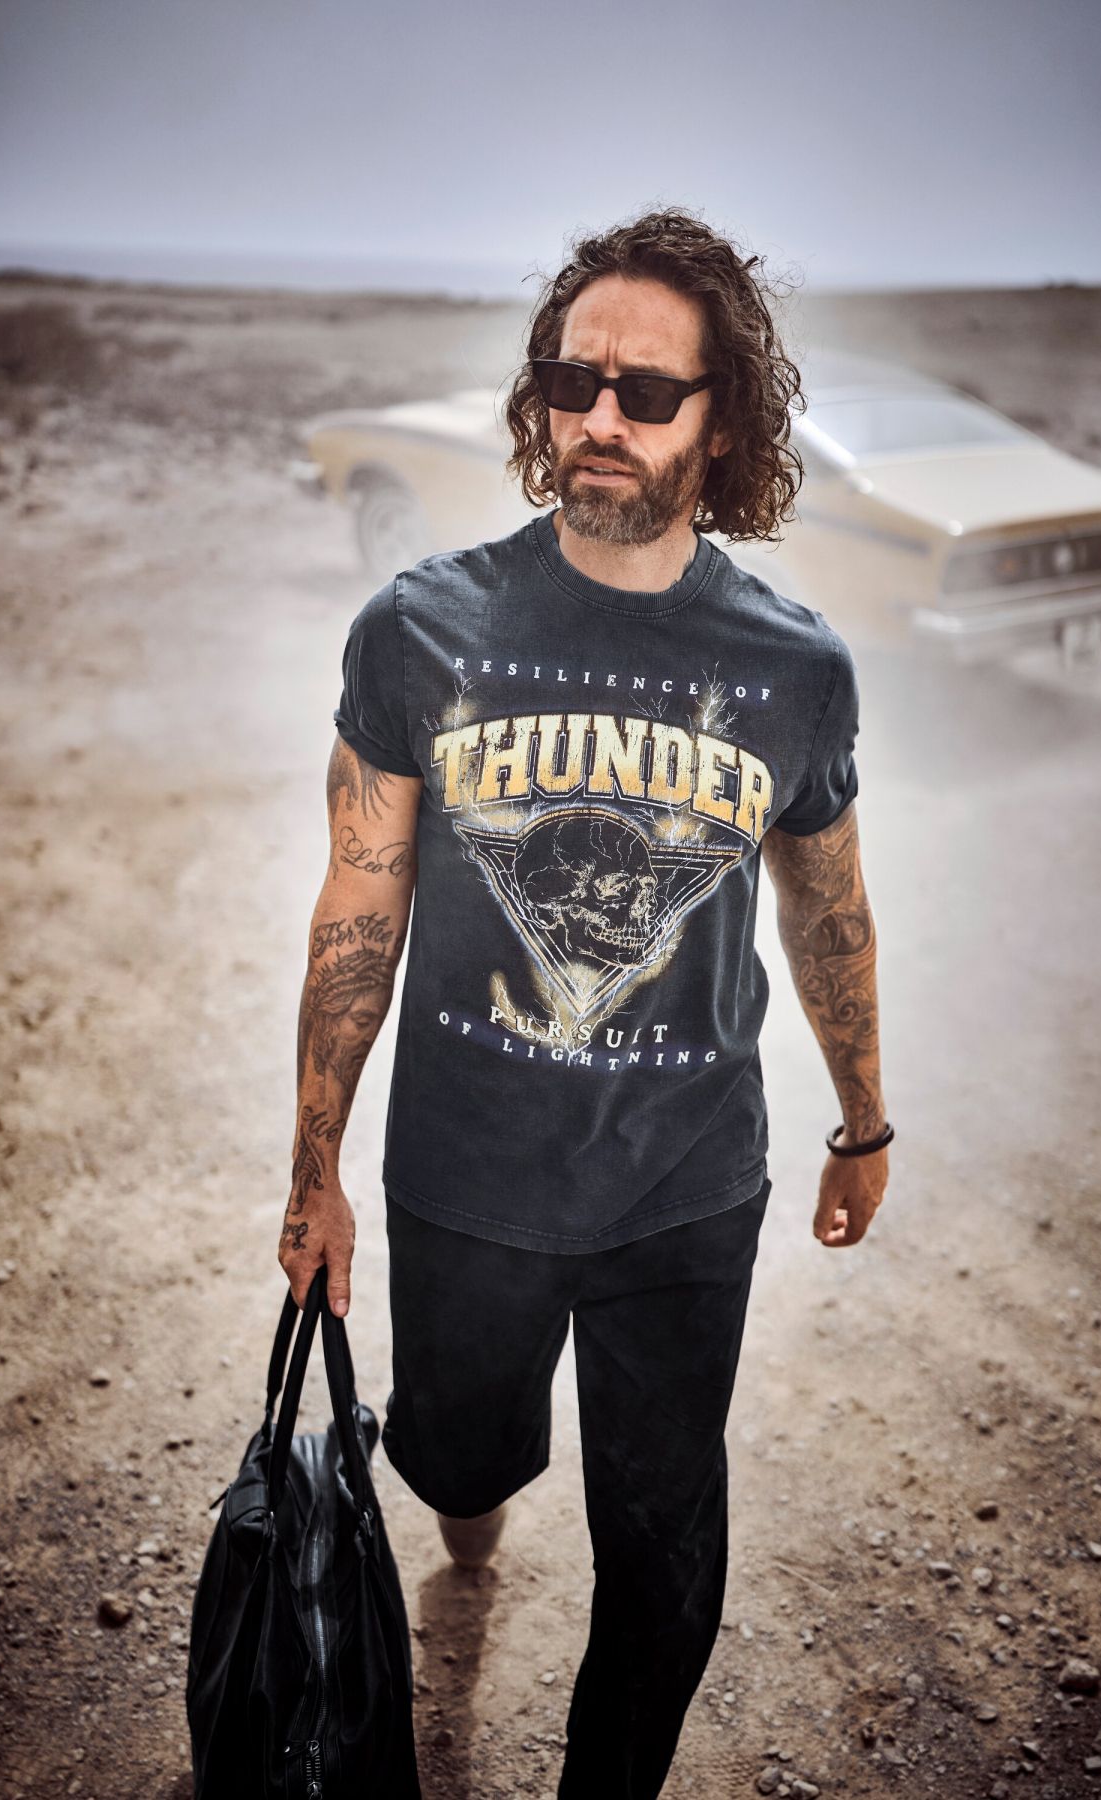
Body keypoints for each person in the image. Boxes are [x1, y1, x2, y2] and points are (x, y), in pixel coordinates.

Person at [279, 206, 892, 1798]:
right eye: (573, 382)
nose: (600, 419)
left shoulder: (796, 669)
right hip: (466, 1179)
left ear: (723, 423)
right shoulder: (418, 629)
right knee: (456, 1462)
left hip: (685, 1188)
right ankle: (471, 1510)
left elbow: (827, 908)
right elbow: (361, 900)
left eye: (647, 392)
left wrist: (864, 1121)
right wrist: (315, 1166)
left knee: (666, 1548)